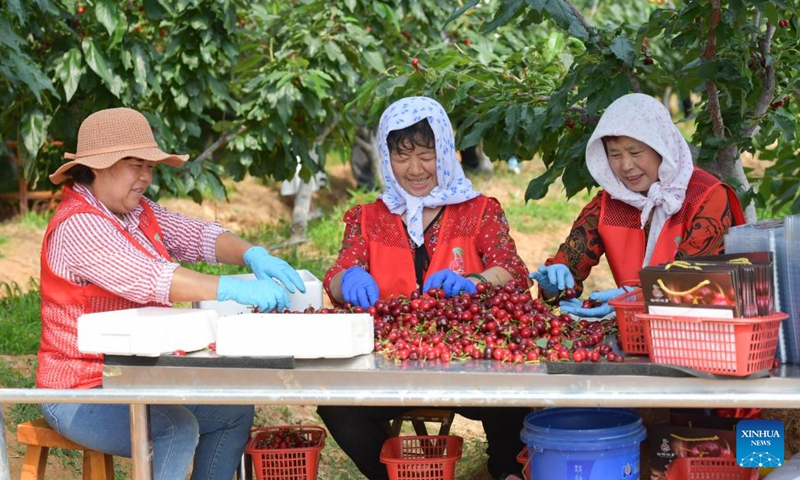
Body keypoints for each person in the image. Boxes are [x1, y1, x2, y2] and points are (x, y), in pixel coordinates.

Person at [37, 107, 307, 480]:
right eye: (136, 165)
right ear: (98, 167)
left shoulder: (138, 211)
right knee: (174, 428)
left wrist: (251, 253)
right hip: (81, 390)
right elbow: (151, 277)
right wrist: (231, 288)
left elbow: (199, 236)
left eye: (150, 166)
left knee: (234, 412)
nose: (146, 177)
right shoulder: (79, 226)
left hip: (139, 381)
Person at [318, 96, 529, 480]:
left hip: (472, 363)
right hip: (391, 365)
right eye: (401, 157)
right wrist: (346, 279)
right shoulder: (368, 218)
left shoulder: (479, 211)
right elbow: (336, 276)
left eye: (427, 155)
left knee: (514, 396)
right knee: (337, 406)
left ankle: (504, 472)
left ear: (446, 151)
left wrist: (474, 282)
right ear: (386, 157)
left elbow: (513, 271)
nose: (414, 169)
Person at [530, 93, 745, 317]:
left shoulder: (706, 196)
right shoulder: (608, 205)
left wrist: (634, 298)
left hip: (698, 334)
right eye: (614, 154)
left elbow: (699, 284)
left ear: (662, 148)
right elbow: (568, 267)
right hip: (632, 333)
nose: (626, 166)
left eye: (635, 153)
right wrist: (554, 284)